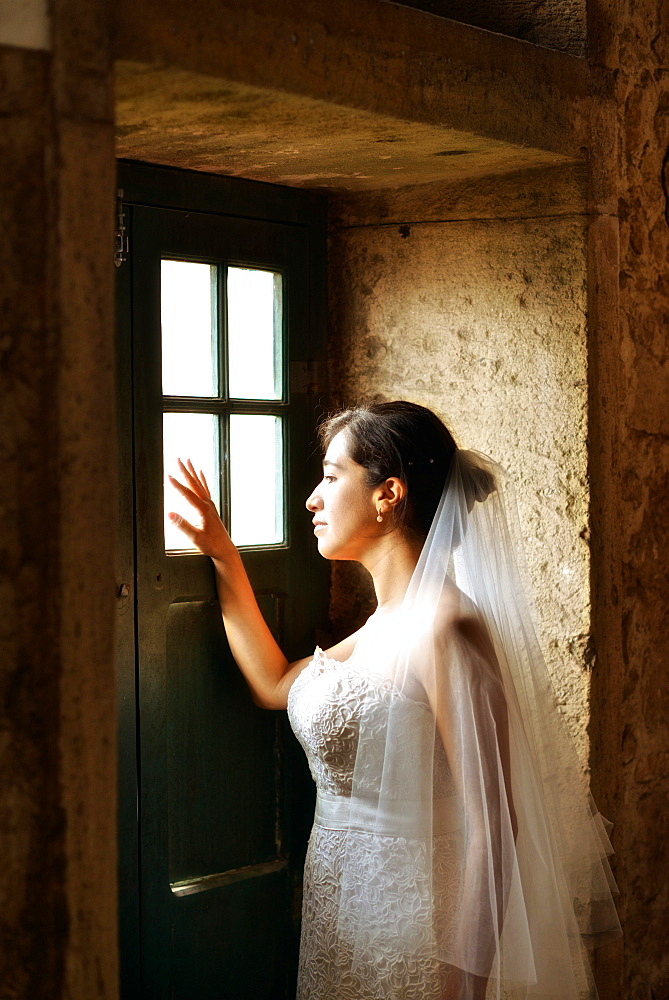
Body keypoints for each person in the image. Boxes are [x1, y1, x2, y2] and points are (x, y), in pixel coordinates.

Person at [169, 400, 620, 1000]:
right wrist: (224, 554)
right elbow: (275, 685)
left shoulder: (447, 627)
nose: (311, 498)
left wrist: (465, 984)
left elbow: (495, 827)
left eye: (331, 476)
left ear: (388, 493)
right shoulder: (381, 625)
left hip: (419, 936)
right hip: (339, 924)